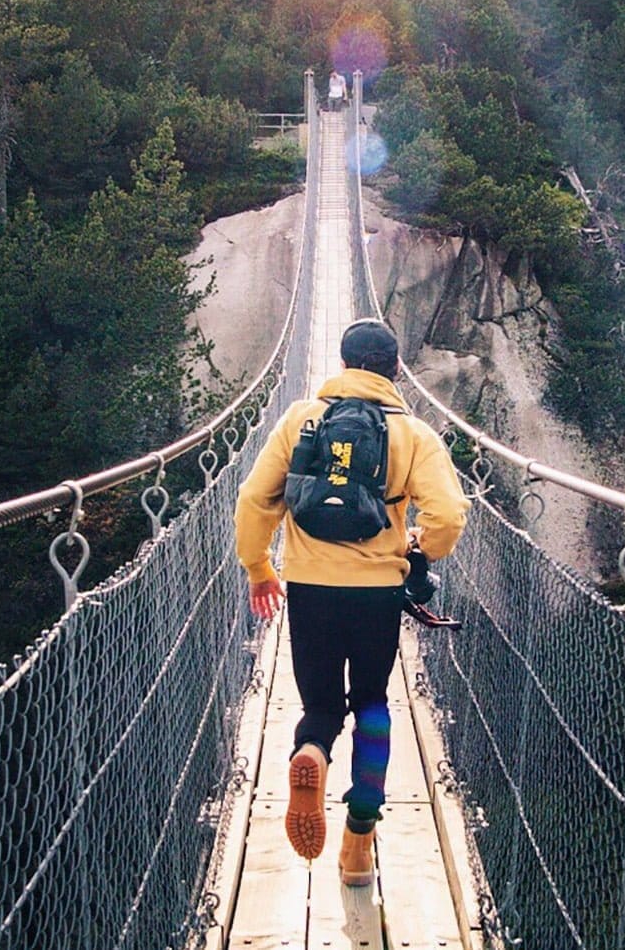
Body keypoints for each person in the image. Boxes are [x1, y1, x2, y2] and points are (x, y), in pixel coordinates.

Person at [234, 318, 468, 884]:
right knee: (371, 706)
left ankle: (310, 751)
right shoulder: (413, 434)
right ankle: (358, 842)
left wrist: (259, 568)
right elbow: (448, 516)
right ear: (394, 370)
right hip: (377, 596)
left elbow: (253, 498)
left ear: (341, 365)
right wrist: (417, 550)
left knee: (320, 706)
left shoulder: (300, 419)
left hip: (310, 589)